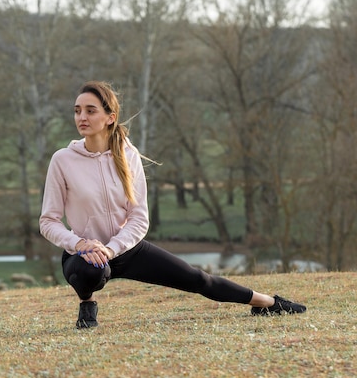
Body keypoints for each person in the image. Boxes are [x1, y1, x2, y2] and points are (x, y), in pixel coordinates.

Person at [39, 81, 306, 329]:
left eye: (90, 110)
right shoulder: (62, 160)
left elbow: (139, 217)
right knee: (91, 270)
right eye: (77, 111)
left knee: (198, 279)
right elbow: (48, 221)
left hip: (125, 248)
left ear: (110, 118)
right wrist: (80, 244)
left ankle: (267, 303)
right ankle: (87, 304)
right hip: (83, 254)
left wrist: (111, 249)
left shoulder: (127, 155)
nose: (81, 117)